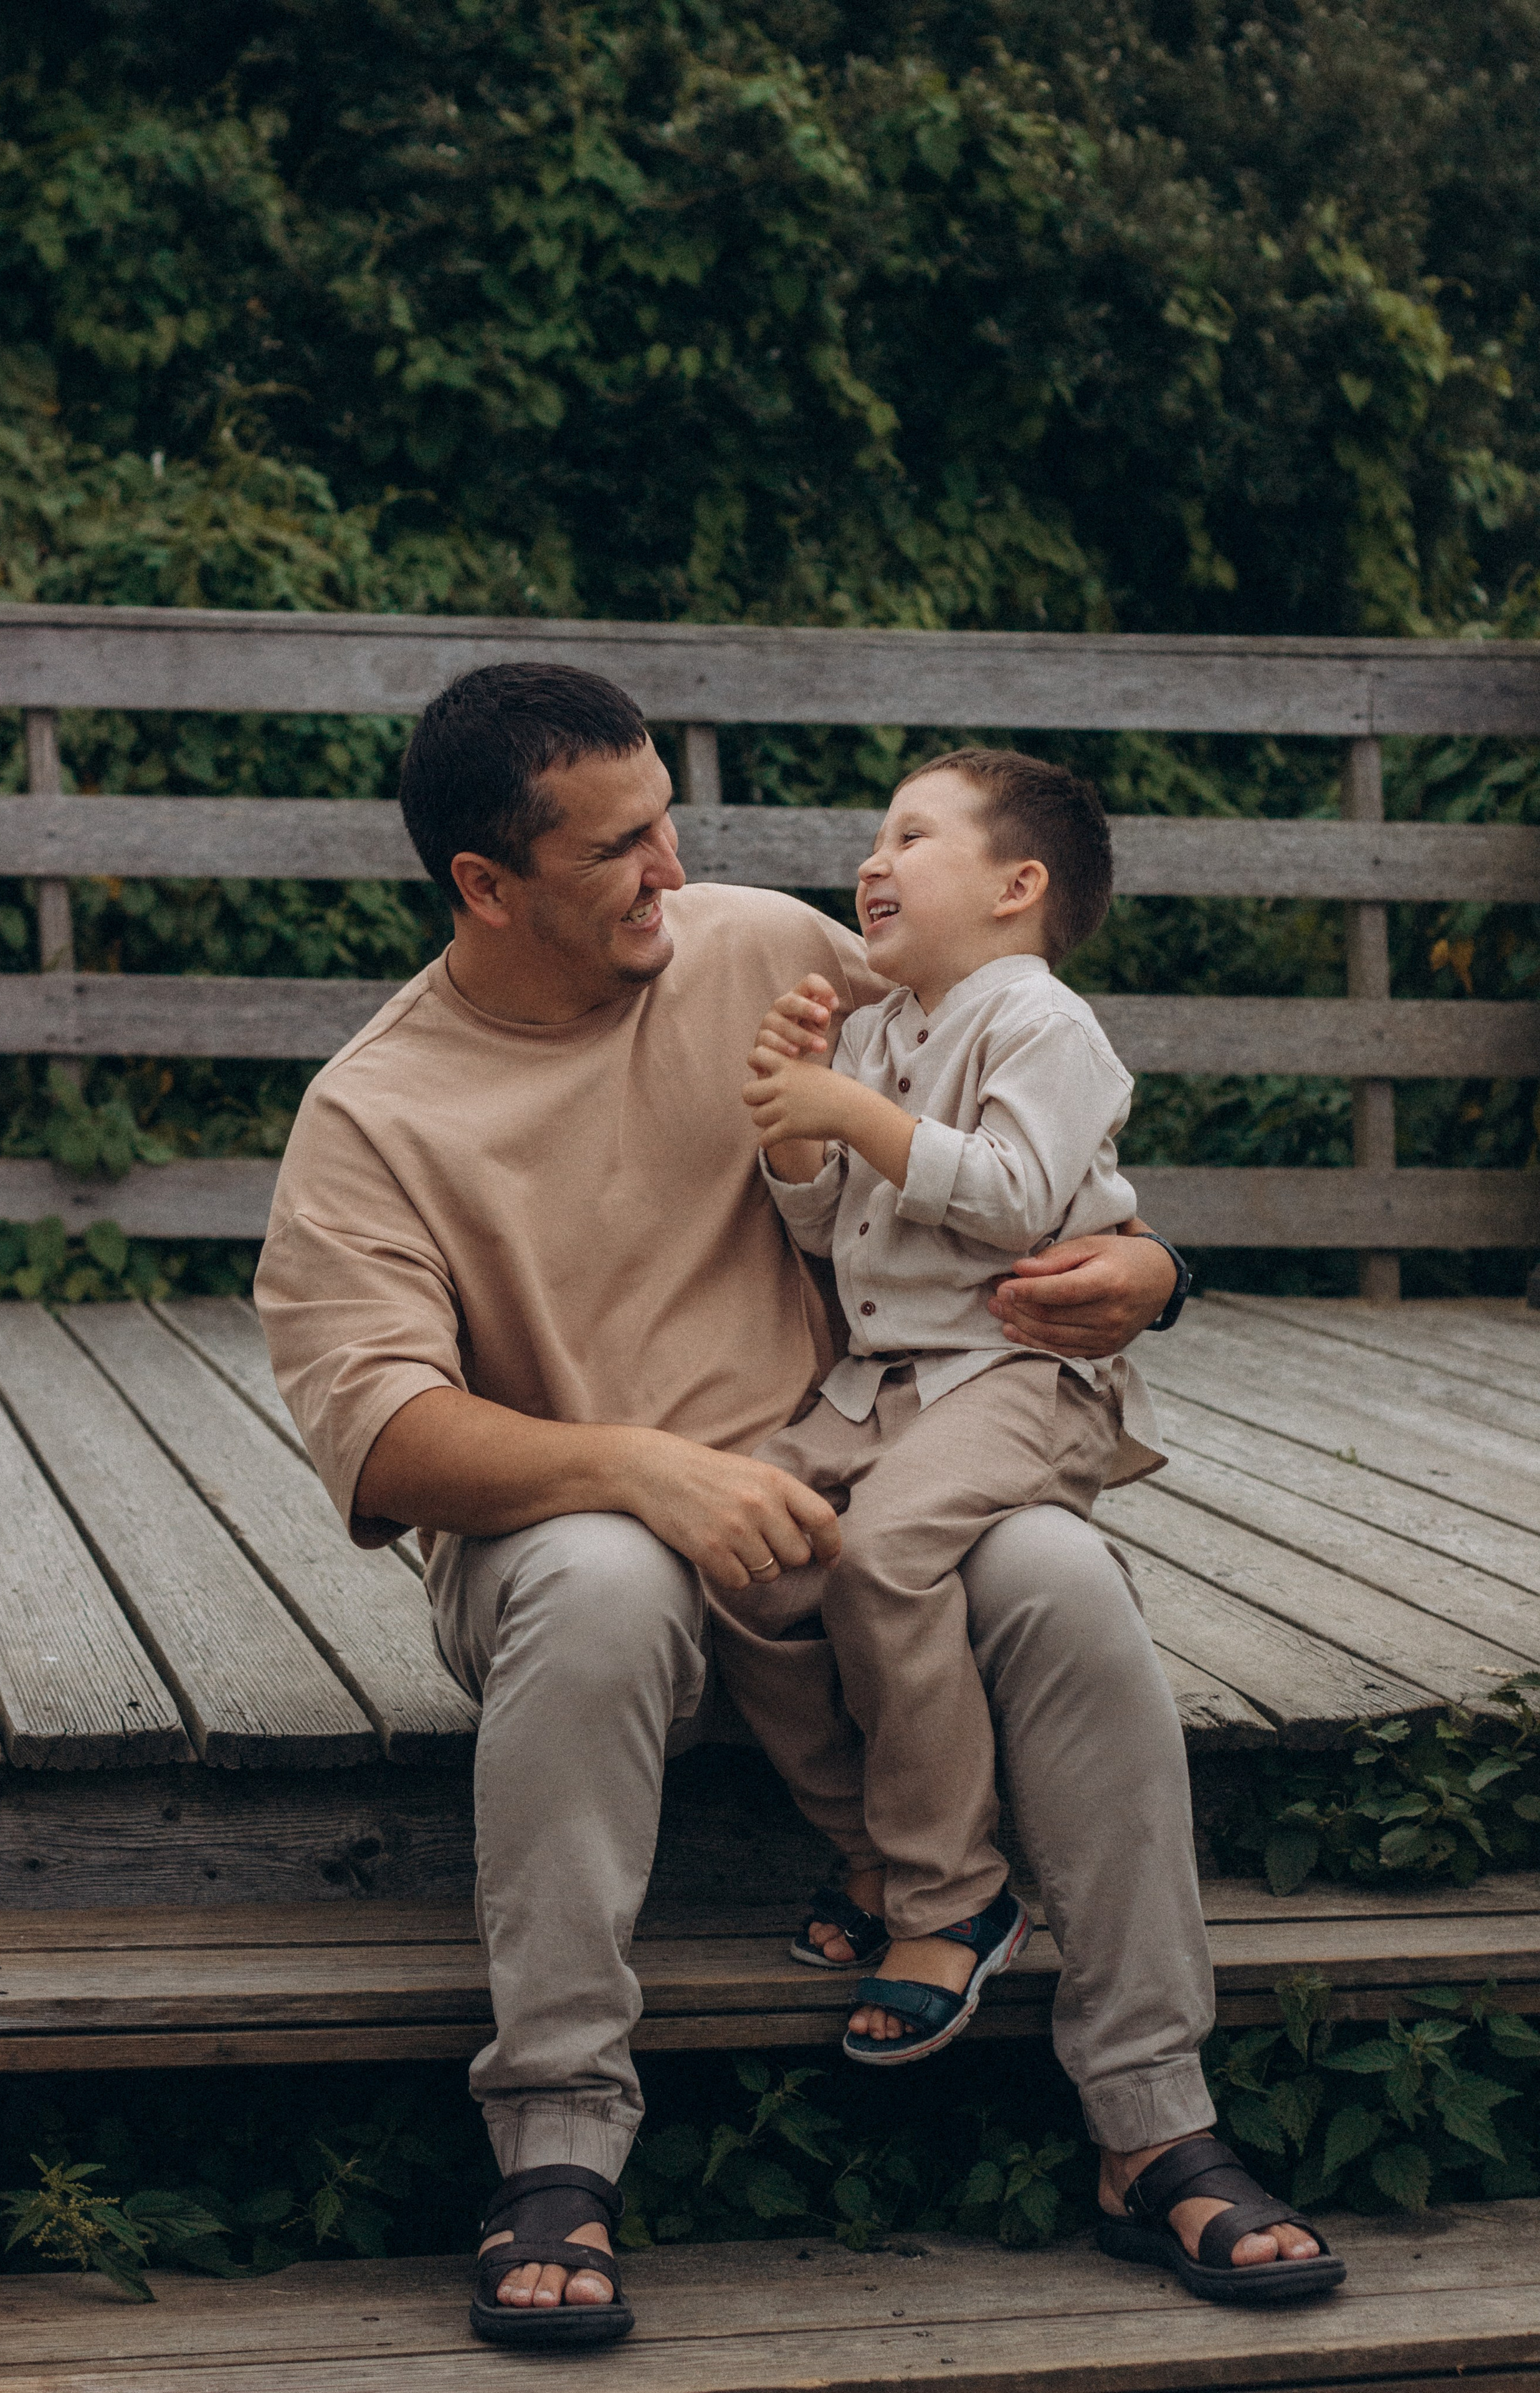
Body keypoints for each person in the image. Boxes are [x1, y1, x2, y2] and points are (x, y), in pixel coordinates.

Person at [253, 661, 1344, 2351]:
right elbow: (382, 1435)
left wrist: (1160, 1268)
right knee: (610, 1580)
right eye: (619, 850)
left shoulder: (759, 950)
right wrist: (640, 1469)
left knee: (1055, 1563)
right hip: (572, 1537)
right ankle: (556, 2147)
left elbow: (1017, 1070)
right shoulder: (373, 1116)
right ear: (485, 884)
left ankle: (1154, 2120)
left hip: (852, 1468)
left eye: (667, 825)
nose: (673, 875)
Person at [710, 748, 1169, 2068]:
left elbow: (1020, 1195)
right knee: (741, 1553)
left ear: (1017, 885)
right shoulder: (874, 1027)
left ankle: (952, 1896)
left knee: (881, 1562)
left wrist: (847, 1110)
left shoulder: (1041, 1023)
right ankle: (870, 1843)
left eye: (912, 836)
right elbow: (822, 1226)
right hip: (880, 1384)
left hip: (1018, 1375)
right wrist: (796, 1126)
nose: (872, 861)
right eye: (873, 838)